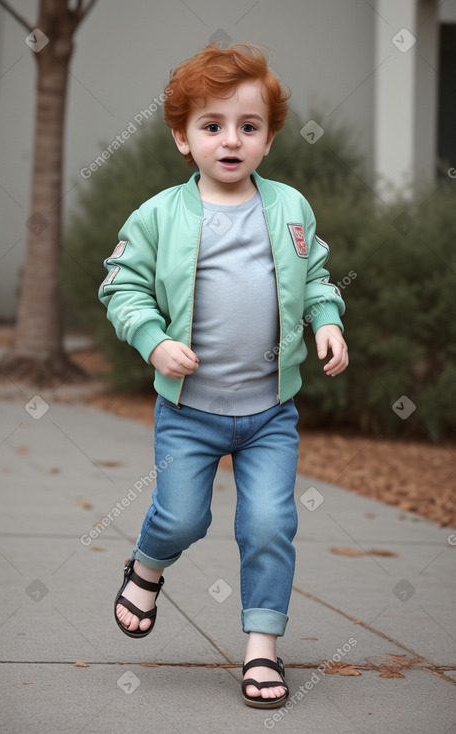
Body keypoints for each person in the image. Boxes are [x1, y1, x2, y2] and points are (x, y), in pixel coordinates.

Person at [98, 42, 348, 709]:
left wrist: (327, 321)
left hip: (271, 413)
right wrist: (154, 342)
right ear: (182, 137)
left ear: (267, 139)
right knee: (181, 519)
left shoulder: (290, 209)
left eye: (247, 126)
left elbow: (317, 279)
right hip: (190, 412)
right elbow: (121, 289)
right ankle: (146, 569)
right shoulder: (158, 216)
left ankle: (261, 649)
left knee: (268, 523)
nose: (229, 140)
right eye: (211, 126)